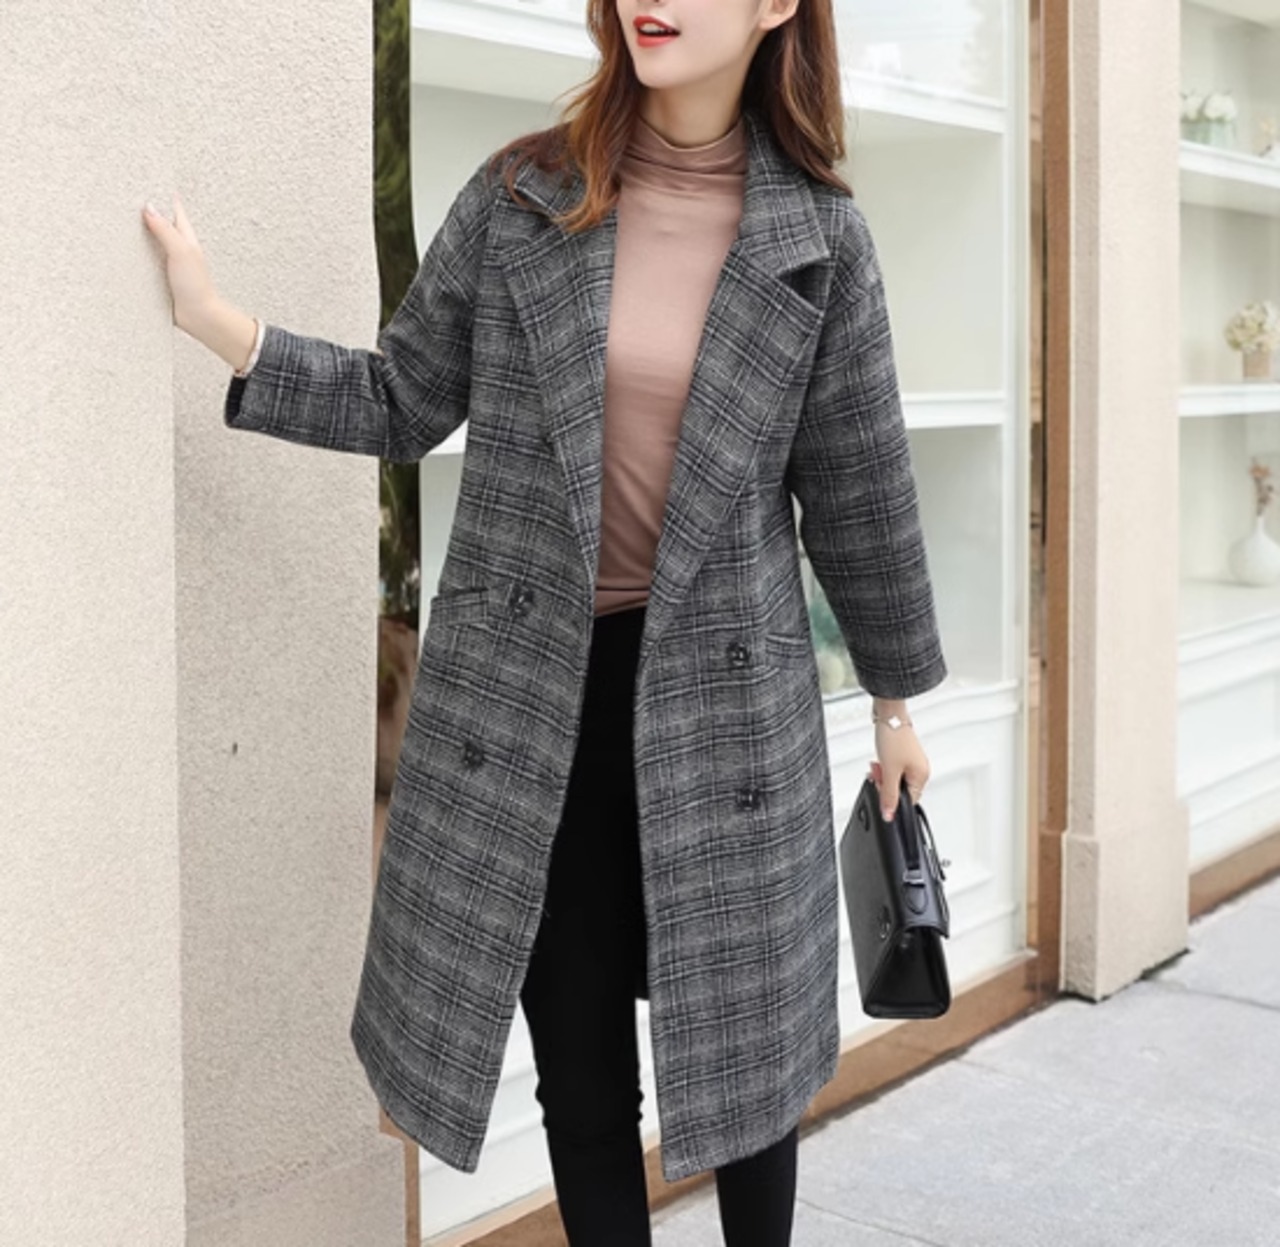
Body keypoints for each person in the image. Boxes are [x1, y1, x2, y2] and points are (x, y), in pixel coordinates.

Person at [142, 0, 943, 1241]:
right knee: (579, 1075)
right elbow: (403, 397)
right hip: (531, 711)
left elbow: (858, 488)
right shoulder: (524, 195)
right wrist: (218, 324)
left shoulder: (819, 237)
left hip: (727, 714)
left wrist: (893, 706)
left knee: (748, 1077)